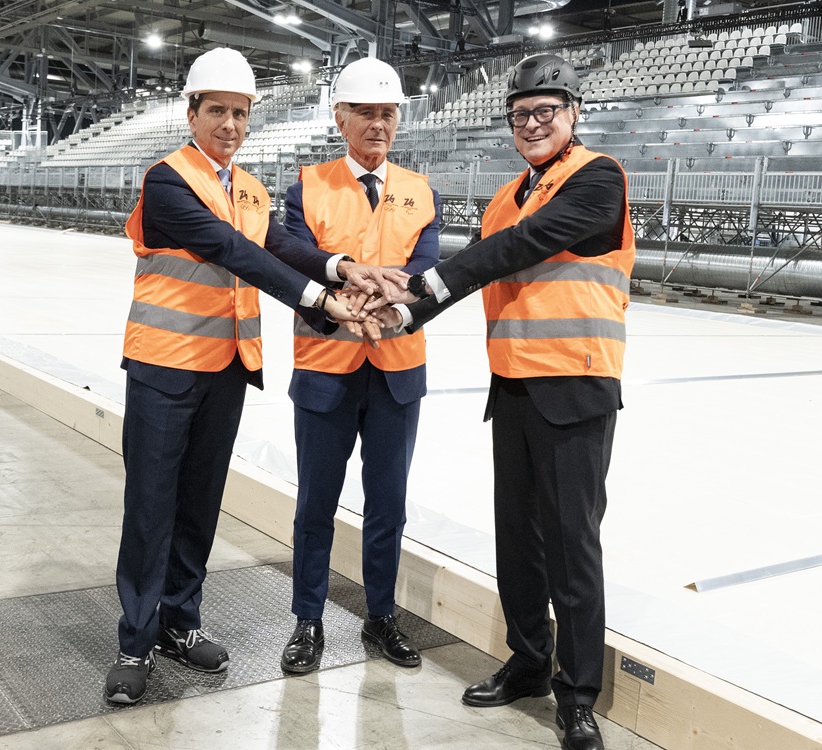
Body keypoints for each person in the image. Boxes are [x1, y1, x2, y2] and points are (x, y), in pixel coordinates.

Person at [106, 47, 400, 705]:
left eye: (241, 113)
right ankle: (134, 642)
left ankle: (179, 621)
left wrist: (341, 268)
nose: (230, 124)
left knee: (199, 503)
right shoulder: (167, 181)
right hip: (164, 368)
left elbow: (280, 245)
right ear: (191, 113)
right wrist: (320, 301)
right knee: (151, 507)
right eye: (218, 110)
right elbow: (233, 250)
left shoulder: (249, 188)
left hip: (226, 368)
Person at [379, 53, 635, 750]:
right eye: (520, 114)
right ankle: (528, 661)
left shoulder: (598, 178)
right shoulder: (504, 199)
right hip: (515, 385)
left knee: (572, 546)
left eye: (545, 111)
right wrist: (403, 313)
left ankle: (577, 695)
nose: (532, 124)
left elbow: (523, 246)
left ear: (573, 112)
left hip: (576, 384)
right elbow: (475, 269)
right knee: (518, 540)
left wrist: (425, 285)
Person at [277, 57, 441, 674]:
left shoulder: (421, 190)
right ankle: (308, 619)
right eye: (366, 113)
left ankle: (381, 616)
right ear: (340, 118)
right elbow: (298, 262)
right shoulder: (308, 186)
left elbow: (425, 272)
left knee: (388, 504)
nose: (378, 124)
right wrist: (352, 287)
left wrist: (385, 302)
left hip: (397, 370)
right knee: (315, 503)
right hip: (326, 366)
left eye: (388, 113)